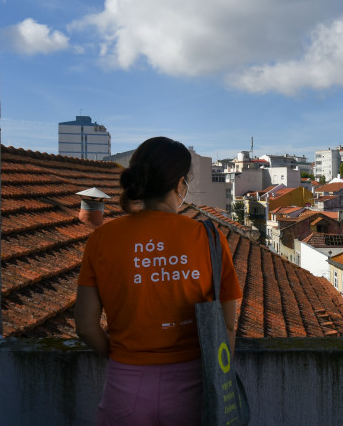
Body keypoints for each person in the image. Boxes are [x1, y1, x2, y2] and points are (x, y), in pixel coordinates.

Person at [75, 136, 242, 426]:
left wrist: (121, 357)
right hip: (196, 387)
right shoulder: (209, 237)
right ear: (181, 184)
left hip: (125, 385)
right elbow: (227, 327)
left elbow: (86, 327)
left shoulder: (102, 239)